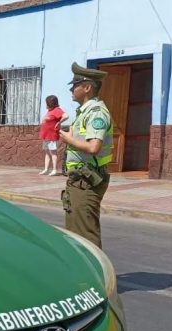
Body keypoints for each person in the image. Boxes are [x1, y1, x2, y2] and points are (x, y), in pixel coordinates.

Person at [58, 62, 114, 249]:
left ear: (87, 87)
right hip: (80, 178)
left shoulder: (97, 113)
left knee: (85, 234)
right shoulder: (84, 112)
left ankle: (96, 276)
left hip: (88, 179)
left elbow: (93, 147)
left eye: (75, 86)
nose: (72, 90)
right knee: (76, 231)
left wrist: (68, 139)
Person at [39, 95, 68, 176]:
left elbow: (66, 116)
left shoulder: (56, 110)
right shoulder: (50, 111)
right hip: (46, 136)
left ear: (51, 103)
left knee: (53, 153)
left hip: (52, 136)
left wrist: (59, 122)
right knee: (47, 153)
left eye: (47, 103)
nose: (46, 104)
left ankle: (54, 169)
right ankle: (46, 169)